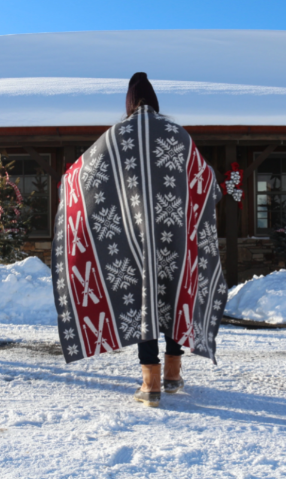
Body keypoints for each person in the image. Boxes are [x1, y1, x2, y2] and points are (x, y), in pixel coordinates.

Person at [52, 72, 228, 408]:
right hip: (175, 236)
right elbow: (205, 178)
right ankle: (174, 373)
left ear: (129, 104)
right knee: (176, 292)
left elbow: (84, 174)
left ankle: (151, 382)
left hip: (135, 239)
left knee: (143, 299)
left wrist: (69, 187)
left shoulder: (116, 137)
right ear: (155, 101)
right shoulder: (179, 136)